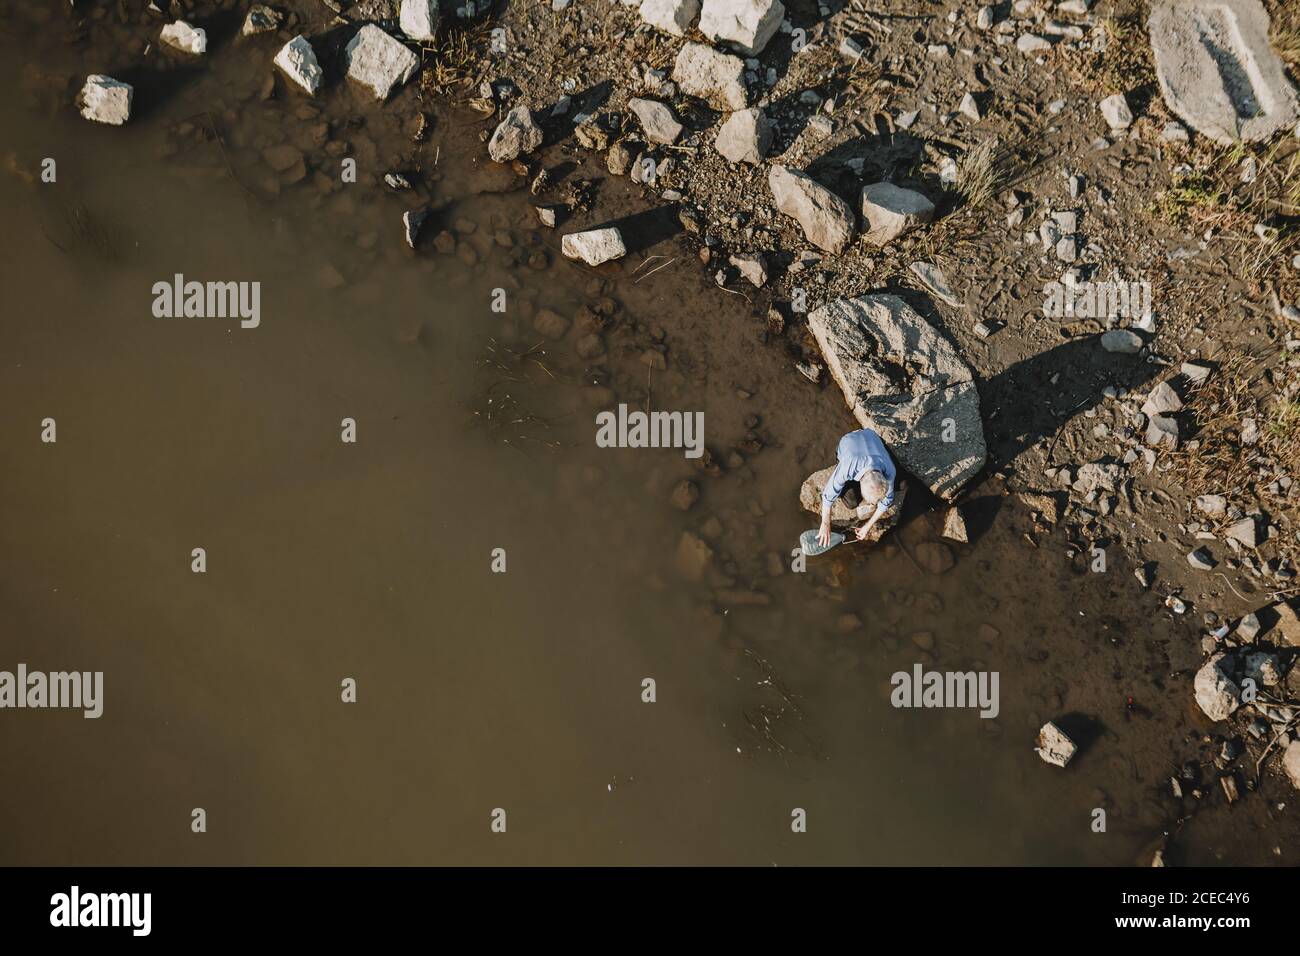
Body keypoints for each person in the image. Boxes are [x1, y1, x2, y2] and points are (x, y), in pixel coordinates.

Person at [817, 428, 897, 547]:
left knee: (901, 484)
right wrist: (825, 524)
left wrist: (867, 526)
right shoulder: (848, 466)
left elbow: (887, 501)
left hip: (870, 436)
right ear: (860, 483)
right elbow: (828, 495)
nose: (872, 505)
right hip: (849, 441)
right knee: (851, 502)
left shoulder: (890, 471)